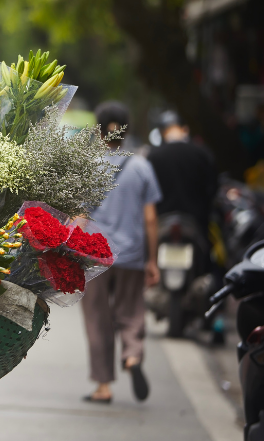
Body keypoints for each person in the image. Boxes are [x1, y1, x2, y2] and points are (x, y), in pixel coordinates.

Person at [82, 101, 162, 404]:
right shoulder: (141, 166)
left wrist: (68, 250)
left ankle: (103, 386)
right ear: (126, 131)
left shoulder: (89, 166)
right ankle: (132, 355)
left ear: (99, 130)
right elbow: (150, 218)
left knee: (97, 317)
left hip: (95, 254)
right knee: (131, 310)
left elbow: (80, 215)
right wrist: (152, 260)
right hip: (132, 253)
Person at [147, 111, 217, 242]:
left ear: (162, 133)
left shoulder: (153, 157)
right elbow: (212, 188)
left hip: (162, 224)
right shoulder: (201, 153)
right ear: (185, 129)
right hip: (197, 222)